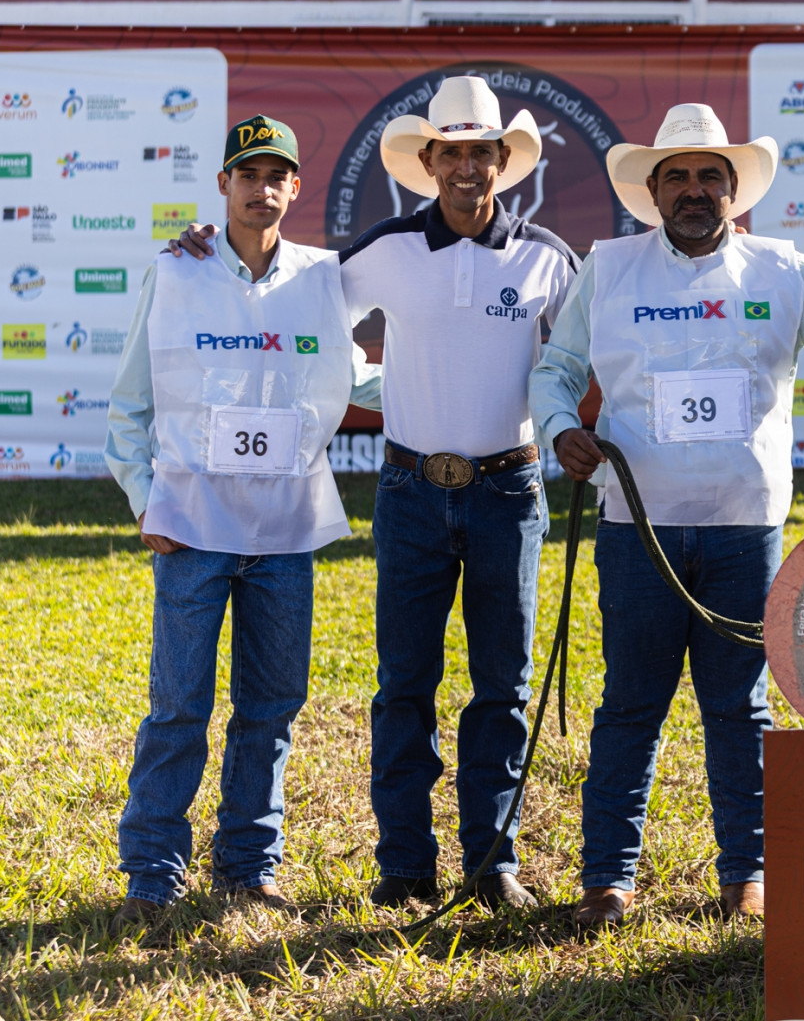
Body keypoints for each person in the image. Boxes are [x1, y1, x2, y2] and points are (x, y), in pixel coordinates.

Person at [529, 104, 804, 927]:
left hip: (747, 529)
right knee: (632, 703)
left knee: (739, 707)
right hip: (640, 528)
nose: (695, 190)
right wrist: (562, 429)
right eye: (679, 176)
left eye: (711, 177)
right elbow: (556, 369)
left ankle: (747, 872)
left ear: (735, 192)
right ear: (653, 190)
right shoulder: (609, 267)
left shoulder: (784, 270)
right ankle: (608, 878)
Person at [173, 76, 578, 910]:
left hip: (510, 489)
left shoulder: (549, 257)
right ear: (427, 162)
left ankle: (491, 860)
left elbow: (589, 352)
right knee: (404, 684)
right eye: (452, 153)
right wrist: (210, 249)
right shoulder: (385, 247)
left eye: (482, 153)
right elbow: (281, 290)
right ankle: (403, 864)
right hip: (411, 491)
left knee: (502, 684)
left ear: (506, 162)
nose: (468, 168)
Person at [104, 116, 383, 928]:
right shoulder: (176, 269)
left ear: (296, 189)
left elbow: (359, 381)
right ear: (223, 186)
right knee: (178, 707)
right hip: (191, 528)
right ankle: (152, 874)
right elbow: (131, 402)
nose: (262, 188)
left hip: (285, 532)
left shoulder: (322, 279)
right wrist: (143, 497)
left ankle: (248, 867)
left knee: (270, 707)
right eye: (246, 174)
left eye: (277, 176)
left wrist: (459, 389)